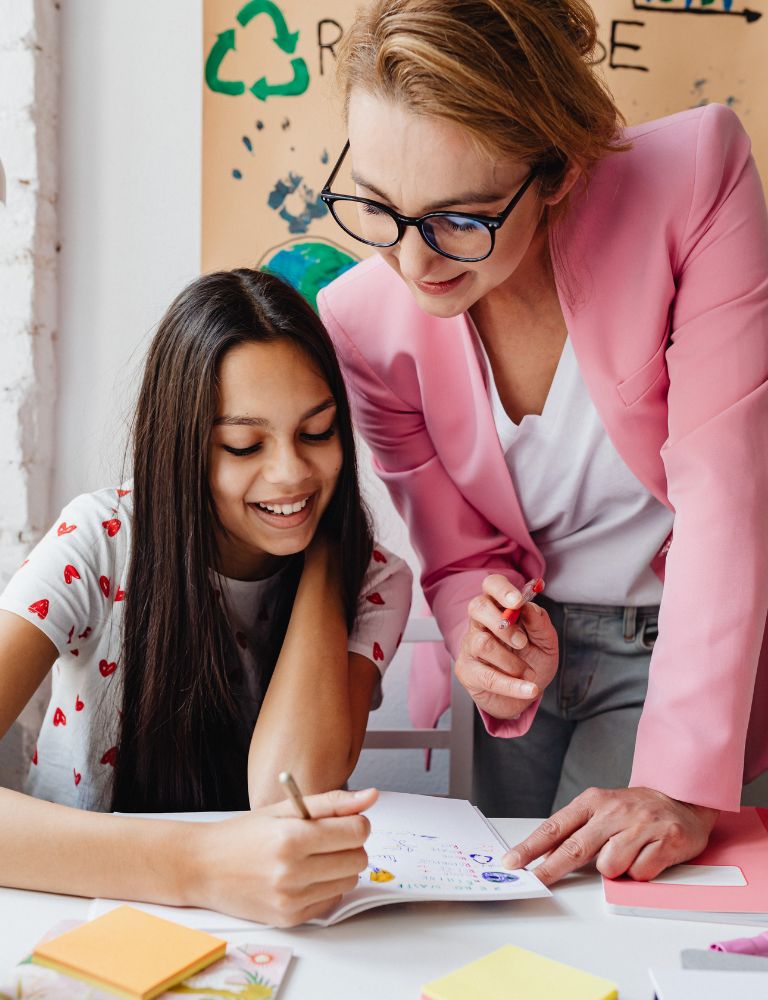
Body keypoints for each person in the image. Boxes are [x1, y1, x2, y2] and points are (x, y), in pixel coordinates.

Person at [317, 0, 768, 885]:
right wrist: (477, 630)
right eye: (377, 206)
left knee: (606, 915)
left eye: (461, 218)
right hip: (532, 664)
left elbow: (726, 485)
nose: (413, 265)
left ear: (556, 171)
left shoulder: (698, 176)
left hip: (679, 647)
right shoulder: (362, 321)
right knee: (509, 918)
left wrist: (677, 782)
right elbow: (455, 554)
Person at [0, 268, 412, 926]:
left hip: (273, 928)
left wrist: (321, 554)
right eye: (243, 444)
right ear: (181, 449)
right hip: (80, 913)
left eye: (317, 433)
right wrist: (199, 865)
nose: (291, 471)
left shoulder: (373, 579)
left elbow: (288, 790)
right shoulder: (97, 544)